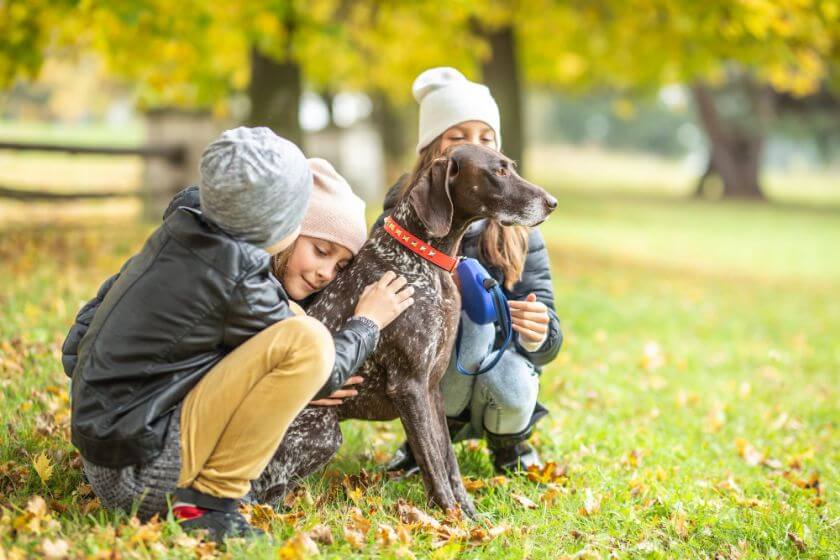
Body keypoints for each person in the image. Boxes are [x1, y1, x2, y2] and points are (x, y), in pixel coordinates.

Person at [62, 128, 413, 542]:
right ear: (285, 221)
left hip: (107, 454)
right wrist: (367, 322)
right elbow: (325, 368)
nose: (325, 272)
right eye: (319, 249)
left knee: (296, 327)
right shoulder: (239, 276)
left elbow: (75, 347)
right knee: (308, 340)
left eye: (338, 267)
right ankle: (209, 503)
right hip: (141, 473)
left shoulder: (180, 235)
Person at [382, 67, 563, 474]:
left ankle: (510, 444)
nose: (474, 148)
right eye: (457, 137)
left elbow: (550, 331)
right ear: (434, 152)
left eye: (486, 138)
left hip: (501, 367)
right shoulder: (398, 223)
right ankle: (423, 442)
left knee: (512, 384)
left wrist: (541, 331)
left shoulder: (519, 234)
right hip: (435, 372)